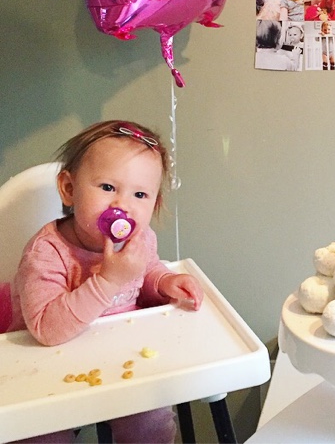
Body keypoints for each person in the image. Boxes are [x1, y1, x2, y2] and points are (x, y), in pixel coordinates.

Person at [8, 120, 204, 443]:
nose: (122, 205)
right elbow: (46, 328)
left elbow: (146, 272)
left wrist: (164, 281)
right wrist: (108, 280)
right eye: (108, 188)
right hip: (43, 370)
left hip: (121, 358)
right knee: (39, 435)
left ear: (154, 204)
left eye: (139, 194)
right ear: (69, 189)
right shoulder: (46, 253)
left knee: (152, 422)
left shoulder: (140, 240)